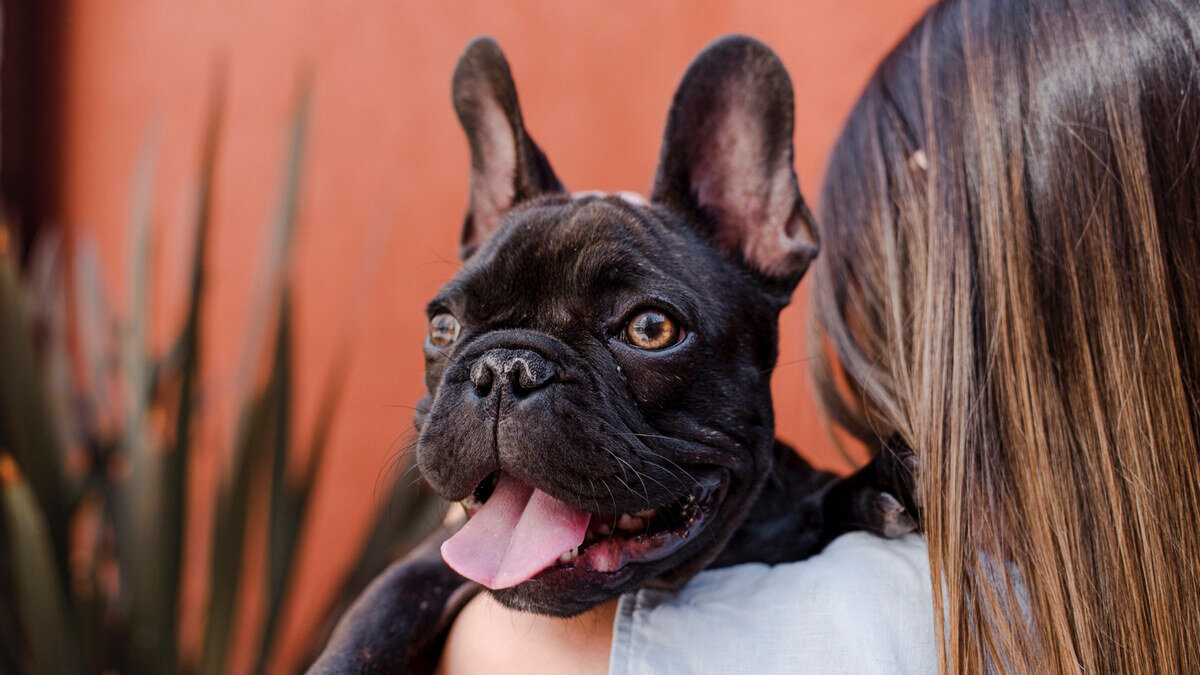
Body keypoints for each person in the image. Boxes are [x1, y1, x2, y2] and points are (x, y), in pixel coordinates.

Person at [437, 0, 1200, 672]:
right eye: (451, 327)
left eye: (647, 327)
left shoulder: (877, 621)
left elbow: (498, 653)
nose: (506, 377)